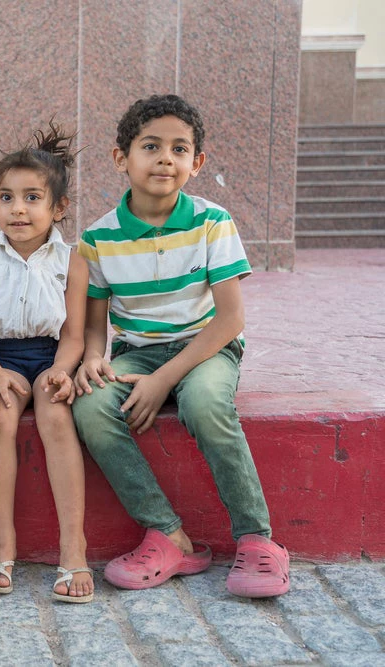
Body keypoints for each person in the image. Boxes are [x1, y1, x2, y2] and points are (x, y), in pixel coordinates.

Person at [72, 94, 290, 598]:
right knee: (89, 407)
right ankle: (169, 535)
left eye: (179, 148)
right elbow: (94, 326)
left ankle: (258, 539)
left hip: (208, 345)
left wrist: (164, 380)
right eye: (151, 146)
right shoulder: (98, 238)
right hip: (136, 352)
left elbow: (230, 318)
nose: (165, 158)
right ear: (120, 157)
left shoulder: (212, 221)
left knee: (205, 402)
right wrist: (90, 361)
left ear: (197, 163)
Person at [0, 120, 94, 602]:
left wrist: (62, 369)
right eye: (6, 197)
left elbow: (75, 334)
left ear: (58, 207)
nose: (17, 208)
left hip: (51, 355)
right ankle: (3, 540)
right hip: (0, 357)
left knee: (57, 417)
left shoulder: (72, 260)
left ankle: (72, 545)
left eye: (32, 197)